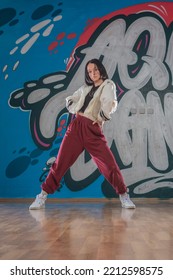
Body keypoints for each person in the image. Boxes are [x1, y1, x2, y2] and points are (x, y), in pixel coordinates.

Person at [29, 58, 135, 210]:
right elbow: (71, 99)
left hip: (92, 129)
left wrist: (101, 118)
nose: (93, 74)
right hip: (76, 127)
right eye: (90, 71)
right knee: (60, 163)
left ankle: (124, 195)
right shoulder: (85, 88)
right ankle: (42, 196)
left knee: (109, 165)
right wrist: (76, 109)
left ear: (101, 69)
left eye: (95, 70)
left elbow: (109, 102)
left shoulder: (108, 85)